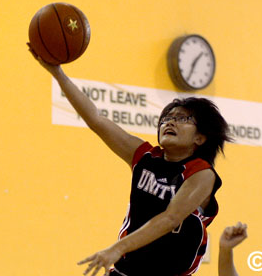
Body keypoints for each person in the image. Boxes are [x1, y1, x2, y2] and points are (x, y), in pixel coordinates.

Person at [28, 45, 232, 276]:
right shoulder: (145, 157)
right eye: (167, 118)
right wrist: (58, 73)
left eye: (182, 118)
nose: (170, 122)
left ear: (200, 137)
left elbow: (170, 218)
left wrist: (116, 248)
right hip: (127, 271)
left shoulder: (201, 173)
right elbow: (96, 119)